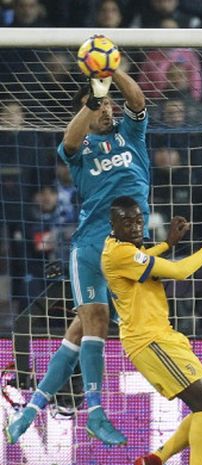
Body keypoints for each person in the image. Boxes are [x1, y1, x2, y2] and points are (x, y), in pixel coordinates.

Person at [5, 62, 150, 446]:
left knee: (79, 332)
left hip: (130, 246)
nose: (108, 110)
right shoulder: (80, 147)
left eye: (108, 106)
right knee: (96, 322)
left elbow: (137, 99)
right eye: (101, 107)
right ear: (86, 110)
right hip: (91, 246)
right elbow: (68, 142)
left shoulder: (132, 135)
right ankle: (96, 413)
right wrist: (91, 101)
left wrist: (111, 70)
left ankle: (29, 413)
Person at [100, 196, 202, 465]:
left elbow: (141, 259)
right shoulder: (119, 253)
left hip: (163, 336)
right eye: (126, 222)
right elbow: (179, 271)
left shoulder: (119, 247)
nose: (134, 227)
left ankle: (155, 459)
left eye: (138, 221)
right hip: (149, 341)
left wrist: (167, 244)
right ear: (113, 223)